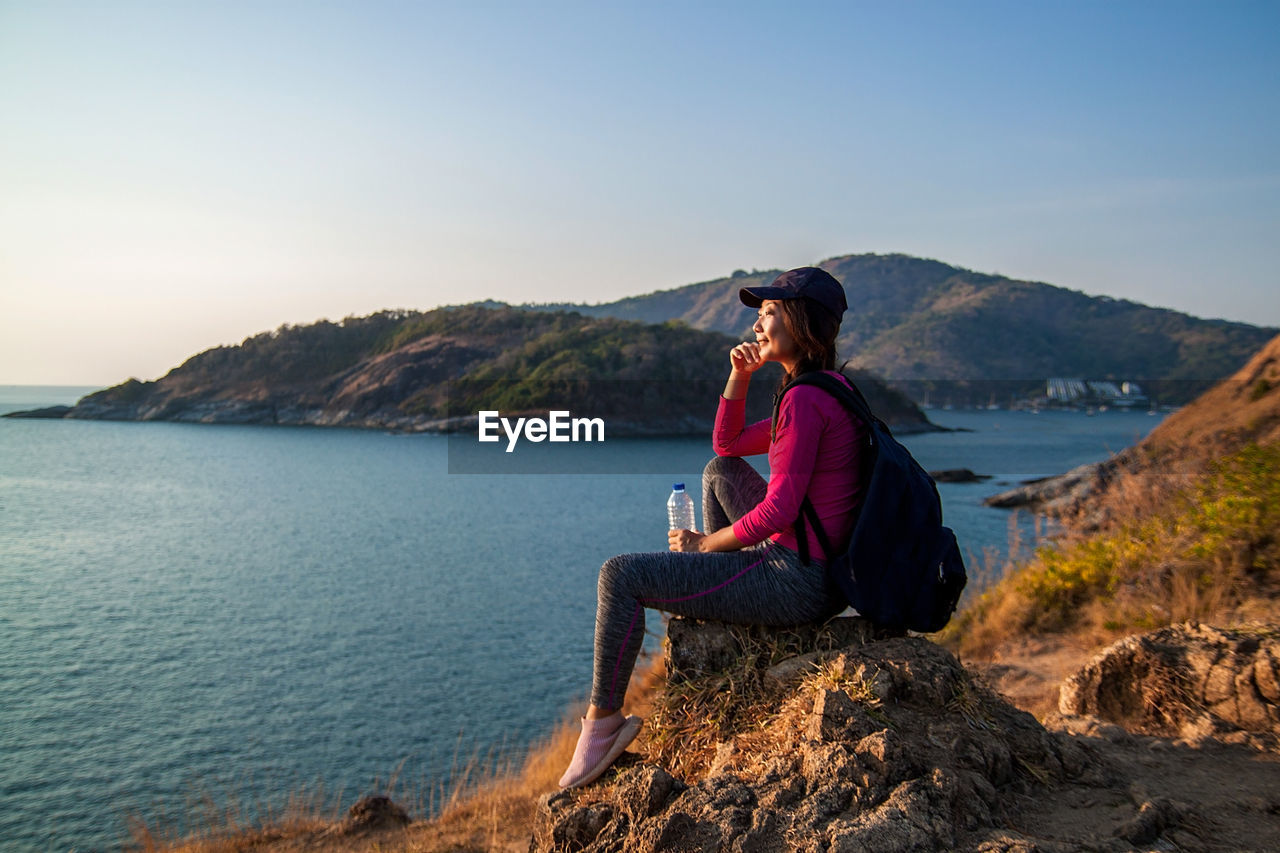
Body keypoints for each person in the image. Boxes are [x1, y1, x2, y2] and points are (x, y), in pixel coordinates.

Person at [557, 267, 870, 789]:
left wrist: (705, 545)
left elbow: (778, 513)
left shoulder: (805, 401)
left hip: (795, 582)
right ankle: (717, 590)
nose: (757, 325)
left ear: (803, 323)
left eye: (769, 312)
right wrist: (741, 376)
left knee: (620, 577)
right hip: (819, 569)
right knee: (718, 472)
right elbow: (726, 447)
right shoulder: (828, 389)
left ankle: (602, 727)